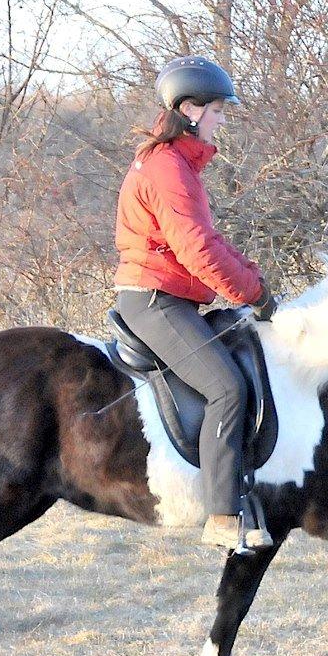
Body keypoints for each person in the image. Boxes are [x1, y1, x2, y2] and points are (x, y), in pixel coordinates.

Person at [113, 56, 277, 551]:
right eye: (218, 110)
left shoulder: (177, 164)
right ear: (189, 109)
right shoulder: (168, 168)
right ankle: (223, 517)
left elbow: (209, 240)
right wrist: (251, 293)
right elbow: (198, 250)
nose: (223, 119)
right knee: (226, 387)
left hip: (172, 298)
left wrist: (255, 281)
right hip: (156, 302)